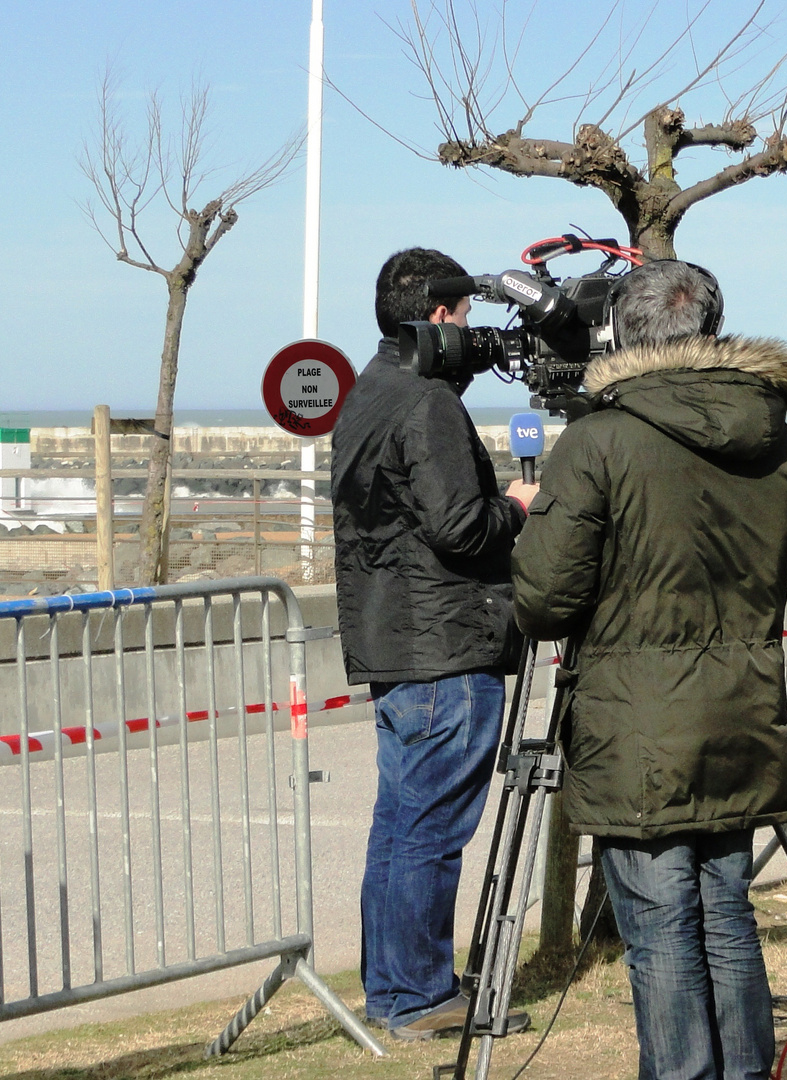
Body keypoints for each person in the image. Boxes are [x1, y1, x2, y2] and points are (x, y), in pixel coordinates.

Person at [510, 259, 787, 1079]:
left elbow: (543, 597)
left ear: (622, 334)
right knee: (723, 911)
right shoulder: (771, 431)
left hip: (637, 717)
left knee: (660, 926)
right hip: (741, 708)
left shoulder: (601, 436)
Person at [331, 247, 538, 1040]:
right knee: (430, 831)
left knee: (400, 827)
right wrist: (518, 507)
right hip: (444, 647)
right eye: (467, 317)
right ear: (443, 316)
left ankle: (395, 991)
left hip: (394, 638)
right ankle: (419, 998)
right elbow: (460, 526)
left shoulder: (369, 389)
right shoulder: (426, 403)